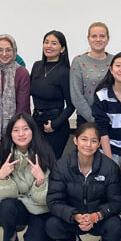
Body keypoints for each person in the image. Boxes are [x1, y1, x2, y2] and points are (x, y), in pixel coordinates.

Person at [45, 122, 121, 241]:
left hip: (98, 218)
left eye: (93, 141)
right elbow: (53, 201)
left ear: (99, 143)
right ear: (75, 140)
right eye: (84, 139)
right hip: (73, 219)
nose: (88, 145)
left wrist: (96, 216)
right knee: (52, 225)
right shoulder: (61, 166)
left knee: (116, 226)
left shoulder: (110, 168)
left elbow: (116, 203)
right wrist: (75, 216)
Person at [0, 113, 55, 241]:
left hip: (40, 209)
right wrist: (2, 178)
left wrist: (40, 181)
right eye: (16, 130)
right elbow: (3, 197)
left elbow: (45, 200)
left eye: (25, 129)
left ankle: (45, 235)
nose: (21, 134)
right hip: (19, 206)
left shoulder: (45, 153)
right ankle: (10, 239)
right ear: (10, 134)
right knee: (6, 206)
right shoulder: (4, 155)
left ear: (33, 131)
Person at [30, 30, 74, 159]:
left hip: (55, 125)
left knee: (50, 164)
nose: (49, 46)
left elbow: (71, 105)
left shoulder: (65, 72)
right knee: (34, 162)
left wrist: (54, 125)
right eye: (46, 42)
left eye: (54, 43)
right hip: (36, 122)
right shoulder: (37, 66)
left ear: (62, 49)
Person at [0, 34, 30, 148]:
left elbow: (22, 106)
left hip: (15, 134)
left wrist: (14, 131)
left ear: (14, 51)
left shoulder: (21, 72)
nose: (4, 54)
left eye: (8, 50)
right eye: (0, 50)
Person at [70, 22, 113, 125]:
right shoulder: (78, 61)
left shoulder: (115, 60)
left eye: (102, 36)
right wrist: (94, 119)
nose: (98, 39)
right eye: (94, 36)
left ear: (108, 39)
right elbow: (76, 95)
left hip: (111, 119)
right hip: (85, 120)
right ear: (88, 38)